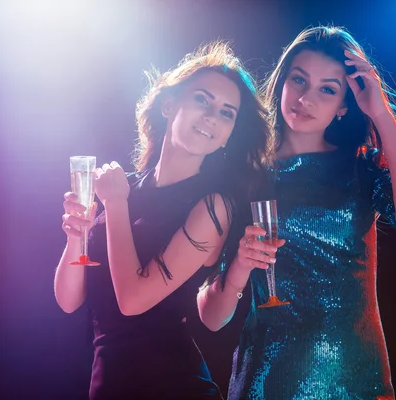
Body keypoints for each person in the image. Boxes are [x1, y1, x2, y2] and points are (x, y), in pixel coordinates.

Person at [198, 25, 396, 400]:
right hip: (269, 381)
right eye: (299, 80)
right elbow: (212, 318)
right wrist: (239, 270)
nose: (305, 98)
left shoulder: (360, 168)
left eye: (327, 89)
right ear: (282, 82)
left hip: (356, 377)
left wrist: (380, 111)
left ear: (345, 105)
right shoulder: (244, 176)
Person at [54, 40, 274, 400]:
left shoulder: (213, 206)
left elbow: (133, 301)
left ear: (229, 136)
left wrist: (115, 204)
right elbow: (69, 300)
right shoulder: (125, 189)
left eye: (226, 113)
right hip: (108, 385)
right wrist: (75, 234)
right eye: (202, 99)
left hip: (171, 385)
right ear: (170, 105)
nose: (211, 117)